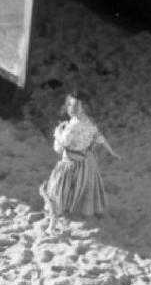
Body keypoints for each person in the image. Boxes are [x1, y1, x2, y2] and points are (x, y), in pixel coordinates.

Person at [39, 91, 120, 234]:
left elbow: (60, 147)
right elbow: (99, 138)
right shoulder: (89, 121)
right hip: (83, 163)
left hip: (68, 164)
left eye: (76, 105)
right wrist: (111, 151)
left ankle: (51, 226)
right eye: (70, 104)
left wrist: (57, 132)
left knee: (56, 193)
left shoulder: (73, 126)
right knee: (75, 190)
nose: (72, 108)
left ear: (84, 107)